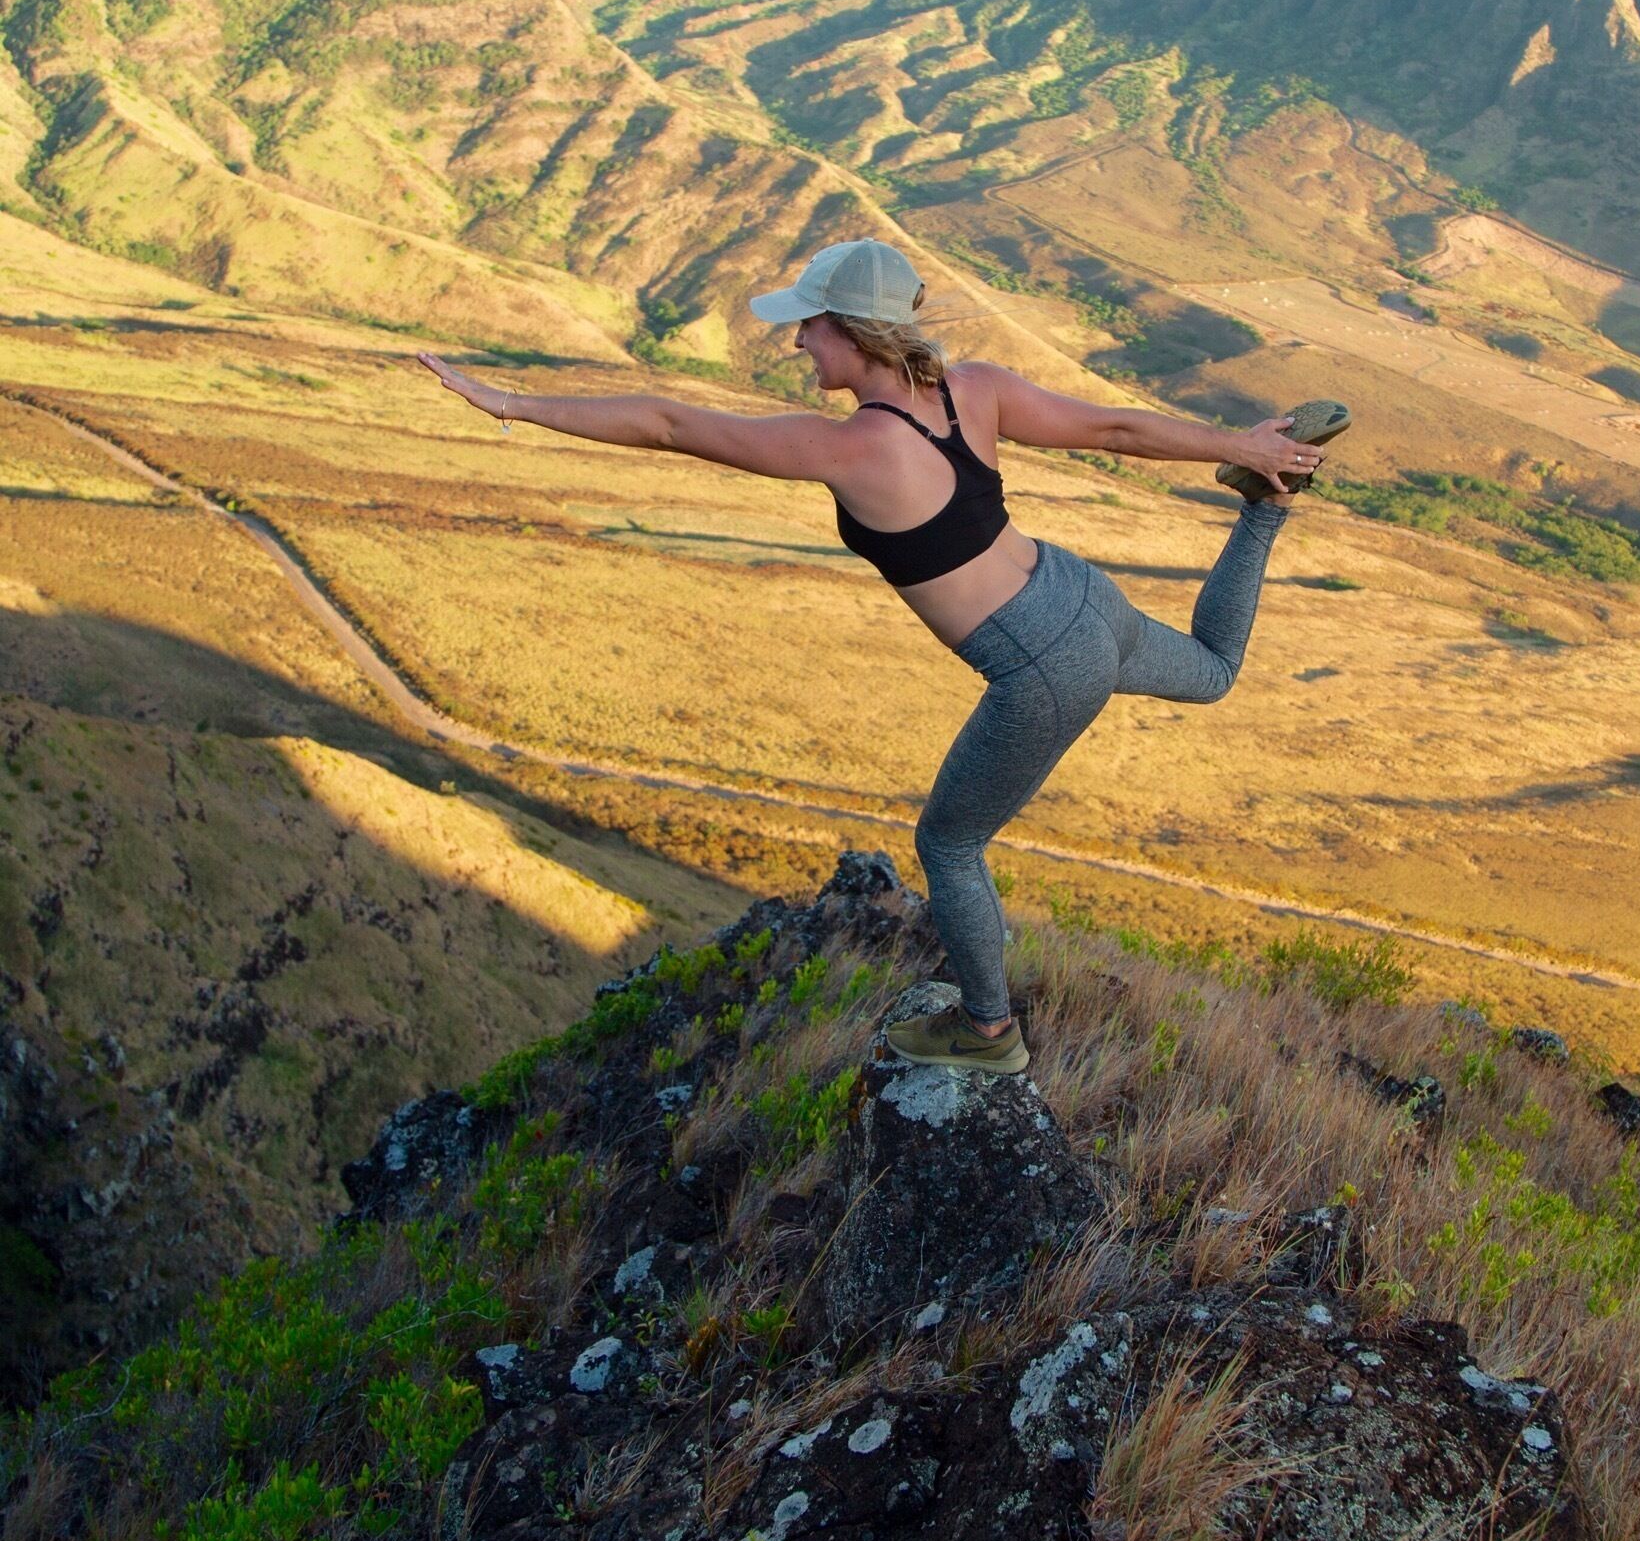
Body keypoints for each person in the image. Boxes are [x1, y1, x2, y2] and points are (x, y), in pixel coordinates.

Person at [418, 237, 1332, 1079]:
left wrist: (510, 403)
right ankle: (1264, 500)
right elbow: (1118, 432)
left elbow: (666, 423)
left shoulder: (852, 447)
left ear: (853, 333)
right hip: (1080, 594)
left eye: (809, 326)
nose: (799, 343)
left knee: (949, 841)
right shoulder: (975, 388)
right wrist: (1240, 443)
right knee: (1213, 672)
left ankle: (987, 1033)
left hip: (1043, 663)